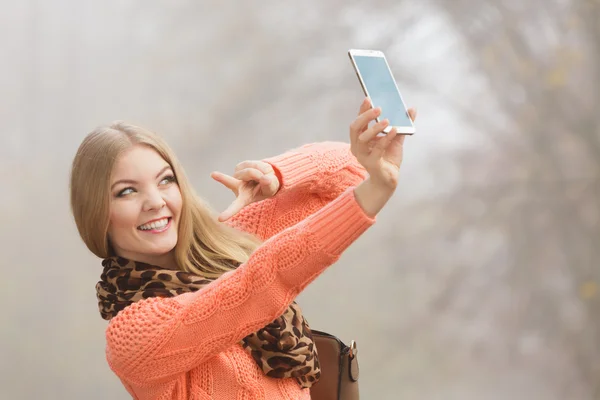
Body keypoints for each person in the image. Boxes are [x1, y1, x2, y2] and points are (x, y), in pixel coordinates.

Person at [69, 97, 417, 400]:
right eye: (127, 191)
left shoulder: (230, 245)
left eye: (166, 180)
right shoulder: (133, 334)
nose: (155, 202)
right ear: (97, 213)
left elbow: (351, 169)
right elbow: (257, 284)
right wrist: (373, 196)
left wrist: (277, 175)